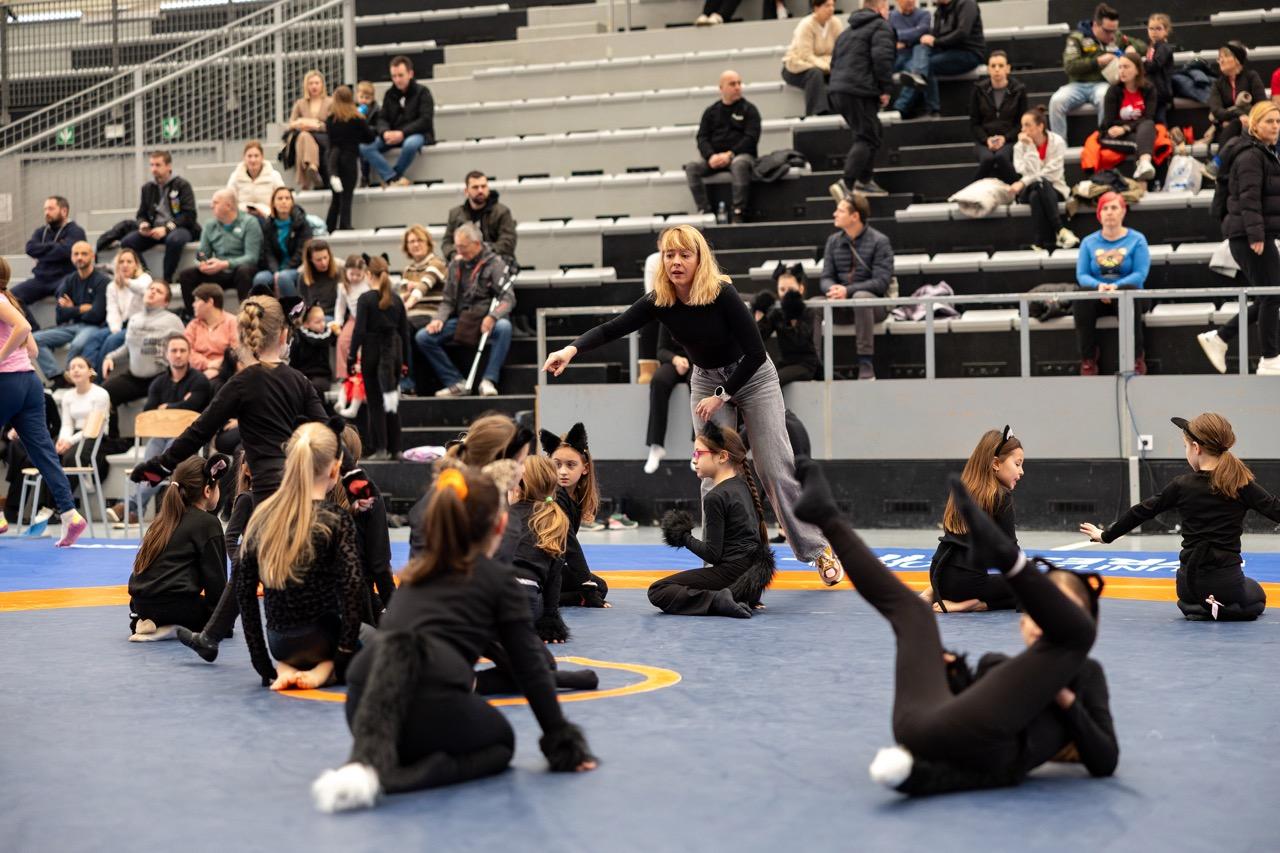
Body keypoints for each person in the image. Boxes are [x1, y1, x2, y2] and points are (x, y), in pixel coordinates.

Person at [543, 224, 843, 584]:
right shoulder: (661, 299)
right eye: (669, 254)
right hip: (705, 378)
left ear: (700, 259)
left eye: (685, 254)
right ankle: (720, 561)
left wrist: (722, 396)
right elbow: (613, 328)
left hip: (753, 376)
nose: (676, 262)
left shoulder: (722, 293)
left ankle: (817, 549)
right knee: (711, 471)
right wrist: (570, 350)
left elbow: (755, 353)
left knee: (774, 468)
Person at [794, 463, 1117, 796]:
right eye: (1037, 613)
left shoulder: (1085, 674)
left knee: (1074, 637)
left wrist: (1066, 701)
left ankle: (1005, 556)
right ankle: (827, 517)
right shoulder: (1002, 667)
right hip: (919, 722)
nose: (1041, 620)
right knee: (913, 613)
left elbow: (1105, 760)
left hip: (958, 750)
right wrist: (951, 673)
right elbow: (973, 708)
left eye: (1051, 612)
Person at [309, 463, 596, 813]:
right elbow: (529, 667)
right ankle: (406, 778)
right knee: (501, 744)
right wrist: (561, 739)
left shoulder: (418, 571)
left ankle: (378, 762)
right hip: (426, 700)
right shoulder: (497, 580)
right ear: (501, 525)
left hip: (362, 703)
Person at [135, 296, 330, 660]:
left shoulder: (242, 383)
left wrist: (161, 465)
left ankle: (258, 641)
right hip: (298, 486)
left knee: (257, 562)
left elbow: (200, 430)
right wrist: (344, 472)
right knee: (252, 562)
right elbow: (328, 430)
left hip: (268, 489)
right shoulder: (299, 381)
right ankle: (213, 637)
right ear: (284, 335)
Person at [1082, 414, 1280, 620]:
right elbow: (1275, 509)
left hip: (1187, 586)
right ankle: (1218, 607)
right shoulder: (1240, 484)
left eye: (1185, 447)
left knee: (1221, 594)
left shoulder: (1181, 485)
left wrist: (1105, 536)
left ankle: (1197, 607)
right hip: (1226, 584)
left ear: (1196, 448)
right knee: (1258, 595)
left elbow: (1141, 511)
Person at [237, 421, 365, 689]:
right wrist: (343, 656)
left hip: (279, 643)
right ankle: (325, 669)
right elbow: (353, 588)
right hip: (324, 639)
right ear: (335, 469)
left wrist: (263, 663)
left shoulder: (262, 516)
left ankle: (287, 668)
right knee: (385, 649)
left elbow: (244, 592)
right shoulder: (335, 518)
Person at [0, 258, 88, 546]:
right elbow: (34, 350)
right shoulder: (11, 302)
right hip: (29, 382)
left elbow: (23, 327)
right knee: (44, 453)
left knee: (42, 452)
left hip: (6, 382)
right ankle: (70, 514)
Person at [651, 423, 775, 618]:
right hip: (752, 582)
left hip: (733, 576)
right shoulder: (743, 486)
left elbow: (712, 555)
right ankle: (730, 597)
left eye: (699, 453)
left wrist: (683, 537)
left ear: (722, 456)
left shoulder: (715, 497)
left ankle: (718, 600)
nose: (694, 460)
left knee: (658, 590)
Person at [107, 333, 212, 525]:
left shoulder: (200, 381)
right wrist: (180, 405)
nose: (178, 354)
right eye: (174, 350)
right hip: (160, 436)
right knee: (151, 466)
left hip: (188, 439)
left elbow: (193, 408)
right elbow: (149, 412)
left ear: (189, 353)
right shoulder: (158, 383)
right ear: (166, 354)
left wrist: (167, 407)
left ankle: (129, 506)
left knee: (161, 464)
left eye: (182, 350)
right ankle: (134, 511)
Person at [127, 454, 230, 641]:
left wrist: (138, 611)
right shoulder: (208, 523)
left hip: (142, 606)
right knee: (225, 614)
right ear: (208, 491)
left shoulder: (163, 520)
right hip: (176, 608)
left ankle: (148, 623)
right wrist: (222, 624)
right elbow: (216, 581)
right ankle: (170, 628)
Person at [923, 426, 1024, 613]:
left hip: (938, 574)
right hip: (967, 586)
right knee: (1029, 586)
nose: (1022, 471)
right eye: (1017, 464)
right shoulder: (1001, 497)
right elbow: (1011, 551)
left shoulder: (963, 490)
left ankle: (933, 592)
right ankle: (974, 604)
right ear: (996, 463)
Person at [407, 413, 533, 559]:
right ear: (504, 465)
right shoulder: (495, 516)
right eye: (520, 462)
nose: (523, 469)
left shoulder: (439, 494)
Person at [1216, 101, 1280, 376]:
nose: (1275, 126)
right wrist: (1256, 235)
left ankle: (1221, 337)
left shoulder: (1263, 152)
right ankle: (1269, 358)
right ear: (1255, 124)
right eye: (1269, 121)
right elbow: (1248, 197)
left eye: (1278, 121)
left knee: (1270, 294)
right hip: (1250, 236)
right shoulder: (1251, 155)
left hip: (1256, 234)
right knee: (1272, 294)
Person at [416, 223, 513, 398]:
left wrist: (493, 316)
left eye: (463, 247)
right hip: (463, 319)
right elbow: (448, 300)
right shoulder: (455, 264)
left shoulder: (495, 264)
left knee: (504, 327)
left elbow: (508, 298)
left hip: (486, 317)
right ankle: (454, 381)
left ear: (476, 244)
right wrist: (439, 319)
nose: (459, 251)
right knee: (424, 337)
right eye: (457, 246)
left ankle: (488, 380)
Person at [493, 454, 574, 640]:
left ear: (516, 487)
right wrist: (551, 619)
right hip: (527, 603)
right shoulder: (556, 520)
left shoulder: (502, 515)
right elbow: (554, 578)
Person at [1075, 192, 1150, 376]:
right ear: (1099, 214)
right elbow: (1082, 274)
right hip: (1099, 295)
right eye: (1105, 208)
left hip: (1128, 294)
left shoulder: (1137, 239)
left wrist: (1116, 287)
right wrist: (1099, 287)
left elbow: (1140, 274)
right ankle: (1088, 359)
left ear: (1123, 212)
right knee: (1082, 294)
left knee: (1128, 292)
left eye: (1114, 207)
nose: (1109, 212)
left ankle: (1136, 357)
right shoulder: (1088, 242)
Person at [819, 194, 893, 381]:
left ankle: (866, 363)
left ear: (855, 216)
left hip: (872, 306)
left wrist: (848, 291)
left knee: (860, 297)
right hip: (841, 303)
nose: (835, 214)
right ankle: (814, 363)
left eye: (840, 211)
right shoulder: (833, 241)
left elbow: (881, 282)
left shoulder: (880, 241)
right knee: (813, 305)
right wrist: (833, 289)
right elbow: (825, 277)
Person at [827, 0, 895, 199]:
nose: (889, 12)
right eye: (887, 8)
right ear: (880, 8)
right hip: (859, 90)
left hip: (839, 90)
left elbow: (833, 63)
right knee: (867, 136)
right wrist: (885, 88)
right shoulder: (881, 26)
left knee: (871, 131)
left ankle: (864, 181)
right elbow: (882, 59)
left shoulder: (846, 32)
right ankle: (846, 183)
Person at [1048, 4, 1144, 140]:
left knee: (1106, 97)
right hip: (1077, 85)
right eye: (1107, 31)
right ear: (1096, 25)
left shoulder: (1117, 36)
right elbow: (1070, 66)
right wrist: (1097, 62)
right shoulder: (1077, 38)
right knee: (1056, 101)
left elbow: (1142, 46)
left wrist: (1131, 48)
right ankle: (1059, 145)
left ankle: (1103, 140)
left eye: (1114, 30)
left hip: (1103, 84)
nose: (1111, 35)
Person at [540, 423, 610, 608]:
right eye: (557, 465)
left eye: (571, 465)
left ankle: (550, 596)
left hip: (550, 565)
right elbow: (570, 546)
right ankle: (547, 598)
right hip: (536, 567)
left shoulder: (574, 497)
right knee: (596, 588)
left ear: (585, 468)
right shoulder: (555, 496)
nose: (563, 471)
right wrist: (587, 587)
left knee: (600, 587)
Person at [349, 256, 411, 460]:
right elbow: (404, 333)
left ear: (369, 274)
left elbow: (359, 331)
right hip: (394, 353)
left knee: (376, 402)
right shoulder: (397, 299)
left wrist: (351, 355)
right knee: (391, 400)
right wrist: (406, 361)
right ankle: (397, 448)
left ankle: (381, 448)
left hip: (373, 353)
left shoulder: (365, 299)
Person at [101, 279, 186, 425]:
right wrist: (110, 357)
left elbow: (183, 349)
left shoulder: (173, 321)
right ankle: (112, 436)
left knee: (152, 410)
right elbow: (128, 347)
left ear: (166, 302)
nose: (152, 292)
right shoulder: (134, 319)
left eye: (158, 291)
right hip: (134, 377)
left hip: (160, 377)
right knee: (103, 395)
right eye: (151, 288)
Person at [684, 70, 762, 223]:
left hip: (741, 156)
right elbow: (702, 137)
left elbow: (751, 138)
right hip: (715, 157)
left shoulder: (749, 110)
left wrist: (730, 154)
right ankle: (705, 211)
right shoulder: (711, 111)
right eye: (732, 84)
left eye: (739, 83)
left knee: (739, 164)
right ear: (721, 88)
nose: (737, 87)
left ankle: (738, 212)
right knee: (691, 168)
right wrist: (710, 156)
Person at [892, 0, 985, 120]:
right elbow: (934, 34)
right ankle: (918, 75)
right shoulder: (939, 10)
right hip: (946, 51)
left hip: (968, 53)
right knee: (920, 47)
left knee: (927, 64)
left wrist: (935, 41)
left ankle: (932, 109)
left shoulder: (967, 3)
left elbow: (962, 33)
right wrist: (930, 40)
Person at [32, 241, 108, 384]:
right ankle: (58, 377)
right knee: (34, 339)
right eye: (76, 254)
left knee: (78, 344)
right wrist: (80, 308)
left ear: (92, 256)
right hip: (70, 326)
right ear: (71, 257)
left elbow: (97, 315)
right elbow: (60, 314)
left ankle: (71, 378)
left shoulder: (102, 281)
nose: (79, 257)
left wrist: (71, 308)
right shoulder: (69, 280)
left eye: (84, 254)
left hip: (93, 327)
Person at [120, 151, 200, 284]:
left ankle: (167, 280)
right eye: (151, 165)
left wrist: (166, 229)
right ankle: (146, 276)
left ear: (168, 166)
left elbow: (189, 215)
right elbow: (141, 214)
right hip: (155, 229)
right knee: (127, 242)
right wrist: (143, 224)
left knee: (174, 240)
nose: (154, 169)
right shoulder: (147, 188)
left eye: (158, 165)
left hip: (179, 228)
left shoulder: (182, 185)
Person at [177, 189, 262, 314]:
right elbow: (202, 253)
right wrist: (202, 263)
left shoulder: (249, 222)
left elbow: (252, 257)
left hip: (239, 270)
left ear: (228, 206)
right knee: (186, 275)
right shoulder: (210, 225)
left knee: (244, 271)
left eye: (215, 202)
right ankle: (193, 317)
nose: (211, 206)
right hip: (218, 271)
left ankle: (247, 315)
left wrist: (225, 264)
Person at [1010, 107, 1078, 252]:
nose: (1023, 130)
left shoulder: (1057, 142)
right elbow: (1023, 170)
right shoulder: (1019, 146)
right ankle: (1060, 230)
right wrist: (1029, 147)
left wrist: (1023, 182)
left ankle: (1039, 243)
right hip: (1027, 191)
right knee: (1038, 184)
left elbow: (1052, 174)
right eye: (1022, 126)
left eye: (1027, 125)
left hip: (1055, 188)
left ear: (1040, 126)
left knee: (1037, 193)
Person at [362, 55, 434, 188]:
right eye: (394, 76)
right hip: (392, 134)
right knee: (364, 146)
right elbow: (382, 118)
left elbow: (425, 120)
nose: (397, 80)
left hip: (417, 134)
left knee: (410, 145)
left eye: (400, 75)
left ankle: (395, 174)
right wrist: (384, 132)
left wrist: (402, 133)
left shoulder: (423, 92)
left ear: (410, 74)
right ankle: (392, 178)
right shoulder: (389, 94)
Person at [1204, 42, 1268, 181]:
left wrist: (1247, 118)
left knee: (1235, 127)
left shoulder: (1251, 77)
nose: (1221, 60)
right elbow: (1216, 110)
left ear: (1237, 60)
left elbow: (1262, 105)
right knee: (1235, 127)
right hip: (1227, 129)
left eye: (1225, 56)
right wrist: (1239, 115)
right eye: (1219, 57)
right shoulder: (1218, 84)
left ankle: (1218, 164)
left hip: (1252, 126)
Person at [753, 263, 821, 386]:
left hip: (805, 364)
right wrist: (759, 313)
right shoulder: (778, 312)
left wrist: (792, 317)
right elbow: (760, 337)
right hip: (785, 362)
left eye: (790, 289)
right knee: (761, 378)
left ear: (801, 289)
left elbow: (801, 341)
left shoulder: (808, 311)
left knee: (773, 381)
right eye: (782, 290)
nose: (786, 294)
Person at [12, 196, 86, 307]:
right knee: (11, 298)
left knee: (67, 295)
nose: (47, 212)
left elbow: (66, 251)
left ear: (64, 211)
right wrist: (55, 245)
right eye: (45, 209)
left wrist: (41, 253)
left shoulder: (75, 231)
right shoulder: (41, 231)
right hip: (41, 279)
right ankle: (29, 320)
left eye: (51, 209)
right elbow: (30, 248)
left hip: (64, 278)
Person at [969, 51, 1027, 184]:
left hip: (1010, 140)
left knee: (1001, 157)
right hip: (984, 140)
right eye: (993, 66)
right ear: (988, 69)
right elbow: (974, 123)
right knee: (988, 159)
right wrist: (986, 139)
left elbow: (1021, 123)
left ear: (1008, 68)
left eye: (1001, 65)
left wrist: (1005, 138)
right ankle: (971, 191)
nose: (997, 69)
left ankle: (1020, 189)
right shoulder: (978, 90)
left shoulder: (1019, 90)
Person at [1099, 53, 1159, 182]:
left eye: (1126, 67)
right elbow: (1109, 122)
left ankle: (1144, 166)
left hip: (1137, 130)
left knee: (1148, 126)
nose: (1122, 71)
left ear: (1137, 70)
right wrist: (1127, 128)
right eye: (1120, 67)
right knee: (1142, 143)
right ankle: (1143, 180)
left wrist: (1126, 128)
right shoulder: (1113, 91)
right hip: (1112, 135)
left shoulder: (1149, 89)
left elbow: (1148, 117)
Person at [325, 85, 377, 233]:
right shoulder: (356, 119)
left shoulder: (330, 119)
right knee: (346, 195)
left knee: (336, 197)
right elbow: (370, 138)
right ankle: (345, 225)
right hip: (349, 159)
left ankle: (329, 227)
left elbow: (331, 141)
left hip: (333, 159)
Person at [92, 247, 152, 373]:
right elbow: (112, 310)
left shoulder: (145, 278)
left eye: (129, 262)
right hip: (121, 325)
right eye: (121, 262)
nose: (125, 265)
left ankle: (100, 379)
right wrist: (115, 329)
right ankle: (88, 373)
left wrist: (127, 282)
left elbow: (142, 289)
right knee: (94, 338)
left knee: (111, 341)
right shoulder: (112, 286)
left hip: (139, 325)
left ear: (136, 265)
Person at [781, 0, 845, 117]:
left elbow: (840, 51)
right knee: (815, 74)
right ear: (816, 8)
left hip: (825, 67)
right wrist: (827, 65)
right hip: (797, 67)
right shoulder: (806, 25)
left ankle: (840, 111)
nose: (831, 9)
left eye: (832, 5)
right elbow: (806, 55)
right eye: (827, 6)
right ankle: (816, 113)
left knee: (841, 73)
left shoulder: (836, 23)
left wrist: (829, 65)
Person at [643, 325, 692, 475]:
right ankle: (656, 445)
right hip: (675, 362)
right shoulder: (668, 315)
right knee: (658, 380)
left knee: (698, 383)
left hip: (699, 361)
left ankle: (700, 444)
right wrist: (676, 360)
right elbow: (661, 350)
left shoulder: (702, 314)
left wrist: (689, 361)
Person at [442, 173, 517, 262]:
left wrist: (479, 253)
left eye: (483, 186)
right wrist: (455, 255)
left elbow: (507, 243)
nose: (480, 190)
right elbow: (446, 243)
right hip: (464, 262)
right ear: (466, 191)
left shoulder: (502, 212)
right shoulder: (455, 214)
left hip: (495, 262)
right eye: (475, 187)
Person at [252, 187, 313, 299]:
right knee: (260, 279)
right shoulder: (268, 225)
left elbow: (302, 251)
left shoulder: (302, 223)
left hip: (297, 267)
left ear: (292, 202)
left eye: (287, 198)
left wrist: (285, 269)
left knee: (284, 277)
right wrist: (275, 271)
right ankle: (265, 309)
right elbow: (268, 252)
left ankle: (295, 308)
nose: (284, 201)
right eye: (280, 198)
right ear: (273, 203)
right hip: (275, 268)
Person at [184, 283, 239, 381]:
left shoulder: (232, 322)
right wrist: (207, 364)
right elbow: (186, 351)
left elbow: (237, 351)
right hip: (198, 373)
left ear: (210, 302)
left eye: (197, 300)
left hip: (227, 373)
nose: (193, 304)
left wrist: (219, 367)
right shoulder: (193, 325)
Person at [288, 70, 332, 190]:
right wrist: (302, 123)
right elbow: (291, 123)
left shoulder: (330, 102)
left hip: (323, 137)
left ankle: (305, 182)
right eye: (311, 83)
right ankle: (312, 167)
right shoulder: (300, 103)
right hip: (305, 137)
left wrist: (317, 126)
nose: (314, 86)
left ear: (322, 85)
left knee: (304, 137)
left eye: (317, 83)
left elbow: (333, 124)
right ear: (306, 86)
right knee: (304, 136)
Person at [226, 140, 284, 218]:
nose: (253, 160)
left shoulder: (274, 175)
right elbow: (229, 199)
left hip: (267, 217)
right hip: (242, 217)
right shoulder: (235, 176)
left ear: (262, 157)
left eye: (256, 156)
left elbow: (282, 196)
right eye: (249, 156)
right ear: (244, 158)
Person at [334, 254, 369, 379]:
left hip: (369, 320)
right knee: (343, 342)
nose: (354, 277)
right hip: (354, 319)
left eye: (358, 275)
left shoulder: (368, 283)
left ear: (364, 273)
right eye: (351, 274)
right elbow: (340, 306)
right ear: (346, 272)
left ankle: (363, 374)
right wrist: (338, 322)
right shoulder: (343, 286)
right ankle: (345, 375)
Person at [291, 303, 336, 398]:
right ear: (306, 324)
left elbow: (319, 341)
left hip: (322, 376)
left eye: (323, 320)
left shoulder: (327, 335)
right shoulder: (298, 337)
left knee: (314, 388)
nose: (322, 324)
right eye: (317, 322)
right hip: (302, 374)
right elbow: (293, 360)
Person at [1142, 14, 1174, 126]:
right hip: (1152, 90)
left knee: (1159, 119)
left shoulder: (1164, 47)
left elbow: (1155, 64)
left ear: (1166, 30)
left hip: (1160, 92)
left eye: (1158, 29)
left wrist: (1139, 65)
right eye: (1151, 28)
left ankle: (1163, 135)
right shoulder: (1152, 47)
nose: (1154, 32)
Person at [298, 239, 342, 318]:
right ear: (310, 260)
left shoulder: (339, 271)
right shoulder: (303, 277)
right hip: (314, 316)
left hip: (335, 315)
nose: (324, 263)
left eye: (325, 257)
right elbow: (303, 303)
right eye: (318, 260)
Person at [889, 0, 930, 74]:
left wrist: (899, 37)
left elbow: (921, 31)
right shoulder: (891, 16)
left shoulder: (924, 14)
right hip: (896, 55)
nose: (910, 1)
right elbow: (887, 35)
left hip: (915, 55)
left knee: (916, 73)